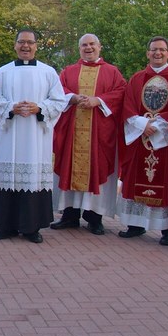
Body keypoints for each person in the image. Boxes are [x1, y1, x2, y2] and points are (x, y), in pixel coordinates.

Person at [0, 29, 71, 243]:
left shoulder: (48, 72)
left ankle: (32, 228)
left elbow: (59, 101)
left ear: (36, 46)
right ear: (15, 45)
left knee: (33, 178)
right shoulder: (3, 72)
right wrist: (11, 107)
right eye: (21, 42)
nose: (25, 46)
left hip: (36, 136)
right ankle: (6, 226)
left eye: (30, 42)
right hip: (10, 135)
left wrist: (39, 108)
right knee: (9, 177)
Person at [51, 33, 127, 236]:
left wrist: (98, 101)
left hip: (99, 133)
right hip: (72, 133)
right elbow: (57, 91)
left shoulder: (112, 72)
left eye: (92, 44)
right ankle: (69, 216)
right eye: (84, 45)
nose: (88, 48)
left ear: (99, 47)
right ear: (79, 49)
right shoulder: (68, 71)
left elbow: (121, 92)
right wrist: (73, 97)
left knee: (97, 168)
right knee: (69, 167)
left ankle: (94, 218)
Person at [116, 37, 168, 245]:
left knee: (167, 181)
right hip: (140, 138)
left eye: (162, 50)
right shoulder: (137, 78)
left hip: (165, 141)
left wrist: (156, 126)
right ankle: (136, 224)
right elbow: (128, 105)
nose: (158, 53)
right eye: (154, 49)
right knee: (135, 178)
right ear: (147, 53)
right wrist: (142, 124)